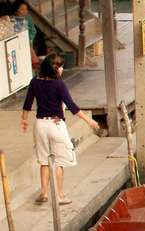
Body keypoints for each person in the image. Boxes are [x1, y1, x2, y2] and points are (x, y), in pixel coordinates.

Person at [21, 53, 101, 205]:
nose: (63, 69)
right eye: (61, 66)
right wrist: (89, 121)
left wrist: (24, 120)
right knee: (59, 162)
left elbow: (27, 103)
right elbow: (72, 106)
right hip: (56, 125)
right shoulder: (59, 84)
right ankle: (59, 196)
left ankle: (44, 192)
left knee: (44, 161)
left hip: (40, 125)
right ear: (56, 69)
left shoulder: (34, 82)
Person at [13, 1, 38, 68]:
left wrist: (29, 39)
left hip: (28, 42)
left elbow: (33, 30)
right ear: (16, 10)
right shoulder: (14, 19)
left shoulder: (28, 18)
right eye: (22, 9)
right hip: (18, 44)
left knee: (29, 61)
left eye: (26, 9)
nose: (25, 11)